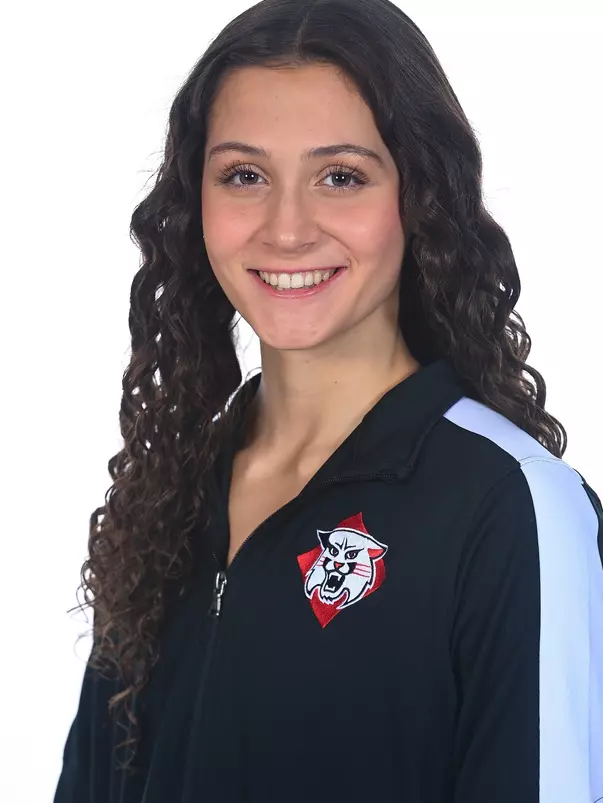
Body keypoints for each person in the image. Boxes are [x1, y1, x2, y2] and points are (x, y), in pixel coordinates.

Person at [53, 0, 603, 801]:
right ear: (193, 198)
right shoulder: (172, 488)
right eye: (244, 175)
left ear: (418, 197)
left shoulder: (511, 505)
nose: (286, 228)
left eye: (339, 177)